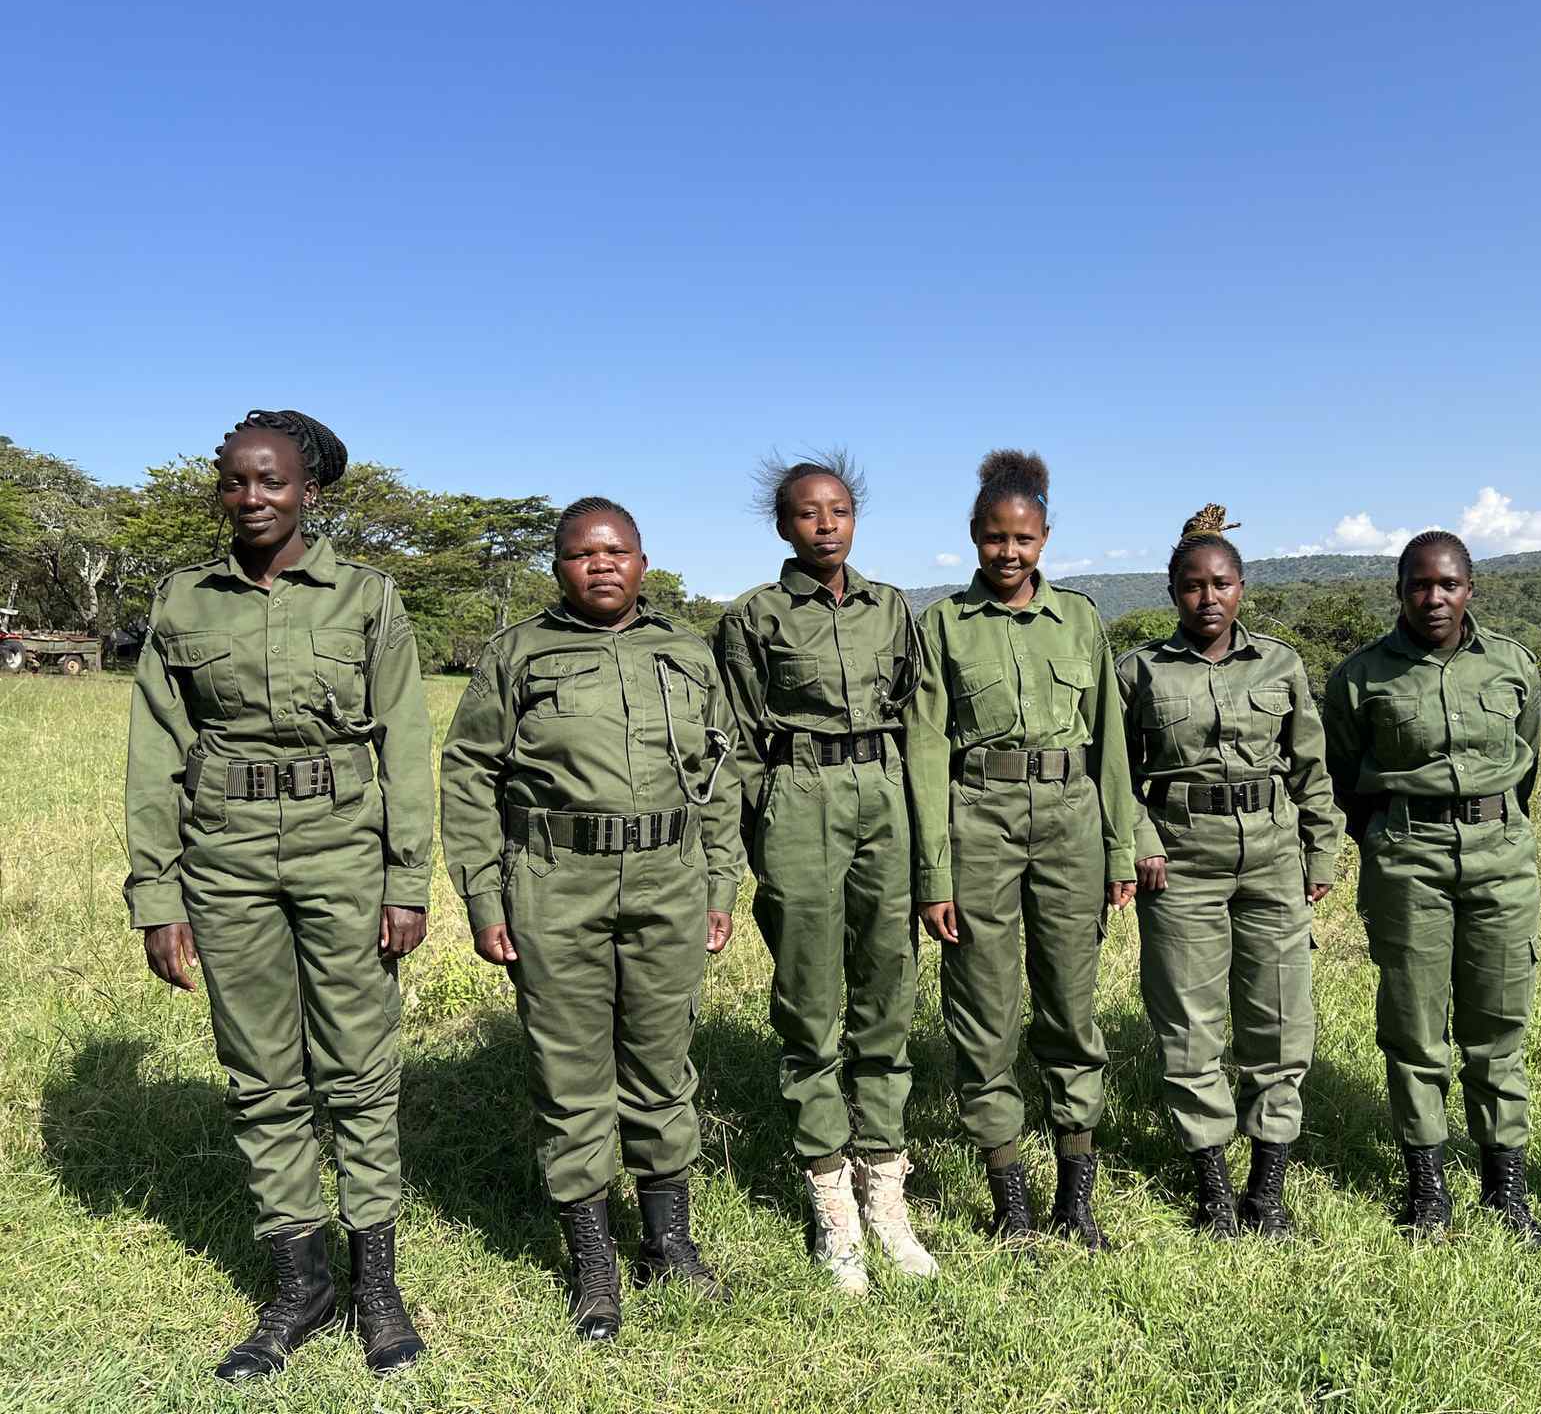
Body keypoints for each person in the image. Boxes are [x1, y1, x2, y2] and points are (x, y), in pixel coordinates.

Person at [124, 409, 433, 1380]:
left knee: (357, 1070)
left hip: (344, 852)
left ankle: (375, 1283)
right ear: (219, 490)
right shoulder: (183, 604)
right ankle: (300, 1287)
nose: (253, 498)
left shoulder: (365, 598)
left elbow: (407, 744)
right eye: (235, 482)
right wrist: (157, 895)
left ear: (309, 490)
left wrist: (408, 876)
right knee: (261, 1075)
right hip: (226, 863)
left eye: (273, 482)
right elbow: (154, 757)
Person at [438, 497, 745, 1339]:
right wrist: (482, 896)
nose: (601, 566)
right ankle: (593, 1258)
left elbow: (723, 771)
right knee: (570, 1073)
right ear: (558, 567)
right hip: (555, 880)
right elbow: (469, 777)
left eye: (617, 552)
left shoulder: (686, 652)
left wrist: (722, 884)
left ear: (643, 562)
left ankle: (667, 1241)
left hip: (669, 878)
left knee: (661, 1061)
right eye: (581, 554)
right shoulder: (518, 655)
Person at [715, 453, 936, 1294]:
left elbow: (919, 720)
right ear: (783, 526)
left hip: (884, 793)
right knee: (810, 1002)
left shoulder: (893, 610)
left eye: (839, 510)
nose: (825, 524)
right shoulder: (753, 618)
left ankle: (885, 1189)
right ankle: (829, 1198)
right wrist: (745, 840)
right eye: (808, 513)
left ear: (854, 518)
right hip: (797, 796)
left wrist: (925, 842)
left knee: (889, 991)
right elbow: (731, 738)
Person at [904, 450, 1135, 1250]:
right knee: (984, 1012)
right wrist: (934, 875)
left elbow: (1110, 745)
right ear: (974, 536)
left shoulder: (1080, 620)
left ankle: (1077, 1199)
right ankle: (1011, 1203)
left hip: (1072, 819)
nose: (1010, 553)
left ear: (1045, 538)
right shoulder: (942, 625)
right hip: (980, 821)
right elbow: (926, 752)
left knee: (1071, 1009)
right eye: (996, 538)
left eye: (1025, 539)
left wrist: (1118, 852)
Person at [1116, 505, 1340, 1238]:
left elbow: (1311, 766)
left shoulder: (1280, 663)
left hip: (1273, 855)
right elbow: (1113, 776)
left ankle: (1266, 1190)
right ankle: (1213, 1188)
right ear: (1171, 591)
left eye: (1220, 585)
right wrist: (1140, 842)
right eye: (1191, 587)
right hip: (1180, 857)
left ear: (1242, 587)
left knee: (1280, 1024)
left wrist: (1320, 851)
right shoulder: (1138, 670)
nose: (1206, 599)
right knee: (1190, 1025)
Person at [1322, 530, 1541, 1245]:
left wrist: (1493, 824)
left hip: (1501, 856)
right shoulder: (1360, 677)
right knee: (1415, 1029)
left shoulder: (1514, 666)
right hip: (1407, 855)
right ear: (1399, 590)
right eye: (1420, 584)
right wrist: (1391, 840)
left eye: (1448, 584)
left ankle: (1504, 1191)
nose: (1434, 597)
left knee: (1497, 1027)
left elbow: (1527, 759)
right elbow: (1343, 775)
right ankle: (1427, 1191)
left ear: (1470, 588)